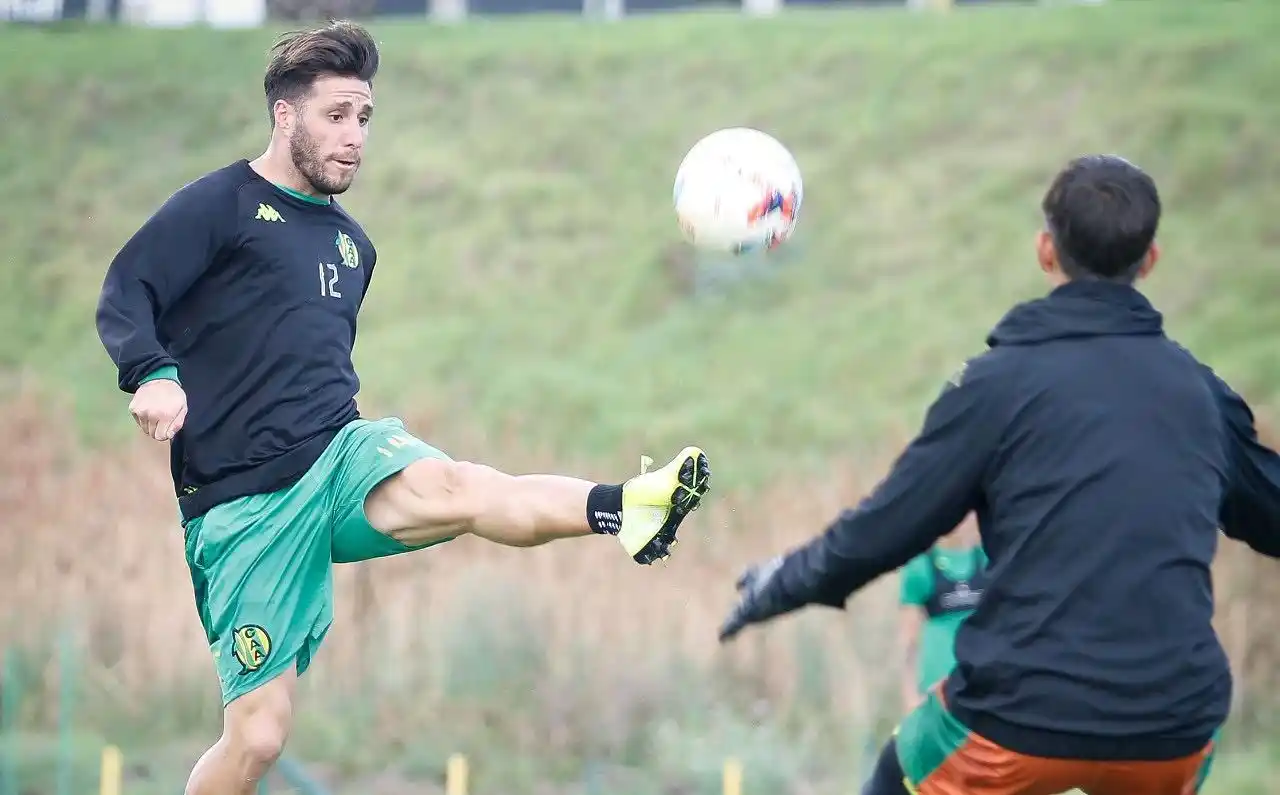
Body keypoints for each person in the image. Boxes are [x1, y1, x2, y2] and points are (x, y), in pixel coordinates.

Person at [94, 20, 711, 795]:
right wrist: (152, 372)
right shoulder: (221, 205)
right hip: (242, 505)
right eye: (336, 116)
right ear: (286, 116)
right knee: (257, 737)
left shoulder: (354, 245)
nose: (354, 137)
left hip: (340, 455)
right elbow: (127, 290)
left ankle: (627, 507)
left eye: (364, 118)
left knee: (459, 488)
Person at [716, 153, 1280, 795]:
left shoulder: (994, 388)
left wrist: (779, 584)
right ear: (1149, 260)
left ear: (1046, 250)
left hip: (1017, 720)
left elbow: (887, 527)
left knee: (891, 777)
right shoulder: (1202, 395)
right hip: (1175, 725)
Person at [898, 514, 987, 714]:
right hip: (937, 683)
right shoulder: (921, 566)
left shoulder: (987, 559)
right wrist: (909, 696)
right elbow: (907, 641)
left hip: (982, 683)